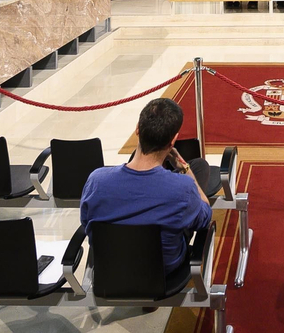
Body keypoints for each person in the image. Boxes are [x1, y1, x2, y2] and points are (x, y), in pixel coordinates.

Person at [79, 99, 213, 275]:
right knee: (199, 169)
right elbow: (205, 218)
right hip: (163, 273)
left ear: (137, 129)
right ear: (173, 141)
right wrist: (184, 168)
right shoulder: (183, 189)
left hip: (111, 271)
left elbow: (87, 222)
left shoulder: (96, 181)